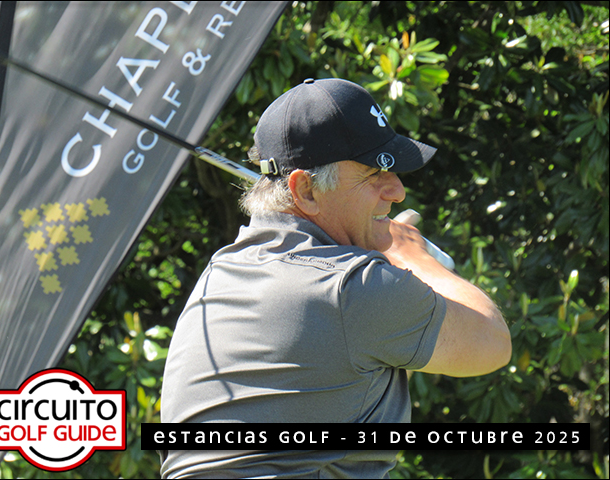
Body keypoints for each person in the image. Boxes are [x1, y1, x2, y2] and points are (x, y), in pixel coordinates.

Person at [160, 78, 511, 479]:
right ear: (306, 190)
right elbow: (492, 342)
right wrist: (412, 256)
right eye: (373, 173)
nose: (397, 191)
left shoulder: (220, 274)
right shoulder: (351, 288)